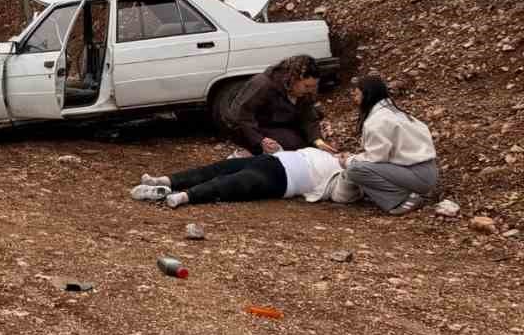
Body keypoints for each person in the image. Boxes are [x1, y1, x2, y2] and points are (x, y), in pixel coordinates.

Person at [131, 146, 361, 209]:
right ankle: (165, 181)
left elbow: (342, 195)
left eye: (351, 157)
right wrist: (277, 147)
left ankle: (185, 196)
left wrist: (348, 166)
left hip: (282, 179)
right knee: (216, 168)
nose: (345, 155)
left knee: (233, 183)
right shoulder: (322, 153)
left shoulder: (343, 175)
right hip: (270, 159)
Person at [342, 74, 440, 214]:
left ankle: (403, 199)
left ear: (368, 95)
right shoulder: (395, 113)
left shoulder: (377, 121)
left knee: (355, 170)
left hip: (417, 175)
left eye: (357, 95)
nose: (355, 99)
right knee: (359, 165)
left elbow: (376, 158)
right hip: (428, 172)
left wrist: (349, 160)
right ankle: (410, 192)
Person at [216, 55, 336, 156]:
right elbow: (242, 115)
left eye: (313, 86)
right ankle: (245, 155)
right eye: (307, 86)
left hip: (279, 123)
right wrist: (259, 140)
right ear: (293, 79)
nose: (310, 90)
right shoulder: (263, 84)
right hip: (249, 127)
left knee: (311, 146)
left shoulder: (305, 92)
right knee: (292, 146)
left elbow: (308, 117)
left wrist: (317, 140)